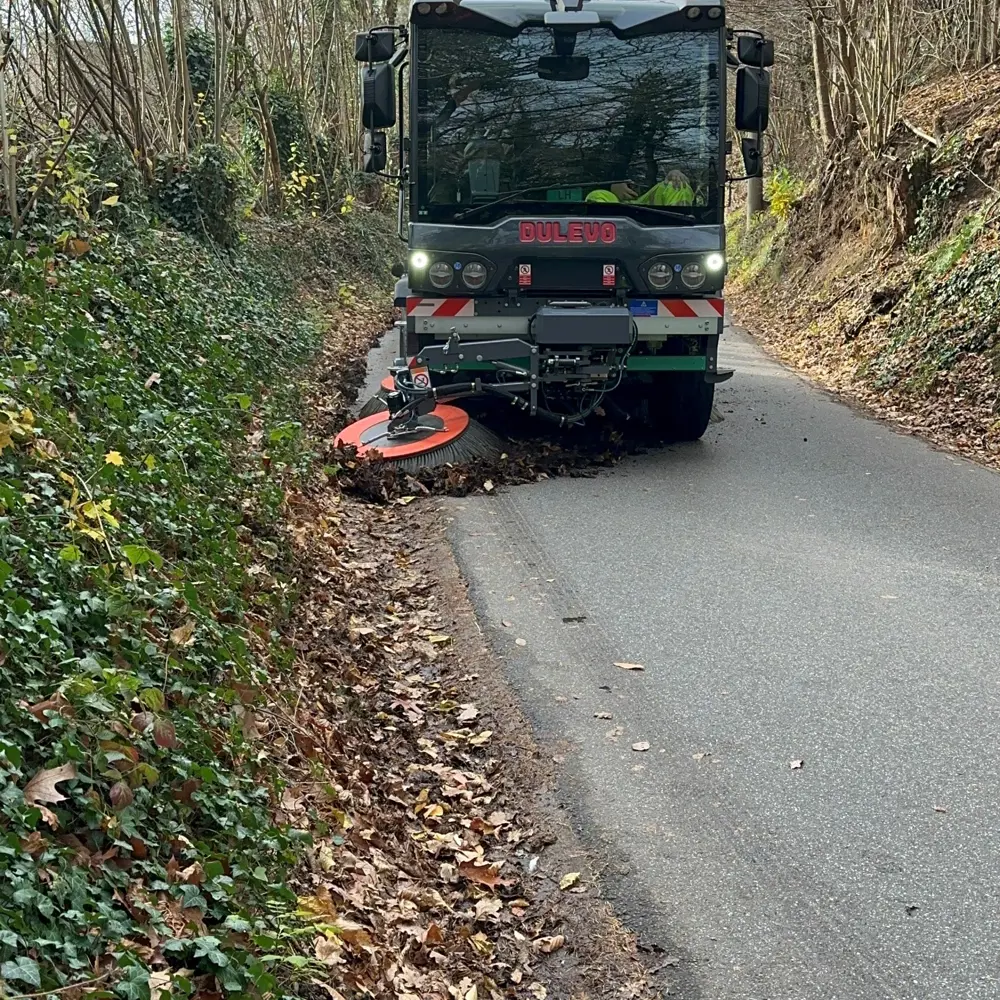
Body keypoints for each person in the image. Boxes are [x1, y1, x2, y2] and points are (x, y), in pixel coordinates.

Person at [586, 170, 694, 207]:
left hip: (655, 219)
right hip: (617, 206)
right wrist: (611, 186)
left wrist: (675, 173)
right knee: (596, 195)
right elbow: (588, 179)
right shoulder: (615, 149)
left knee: (677, 185)